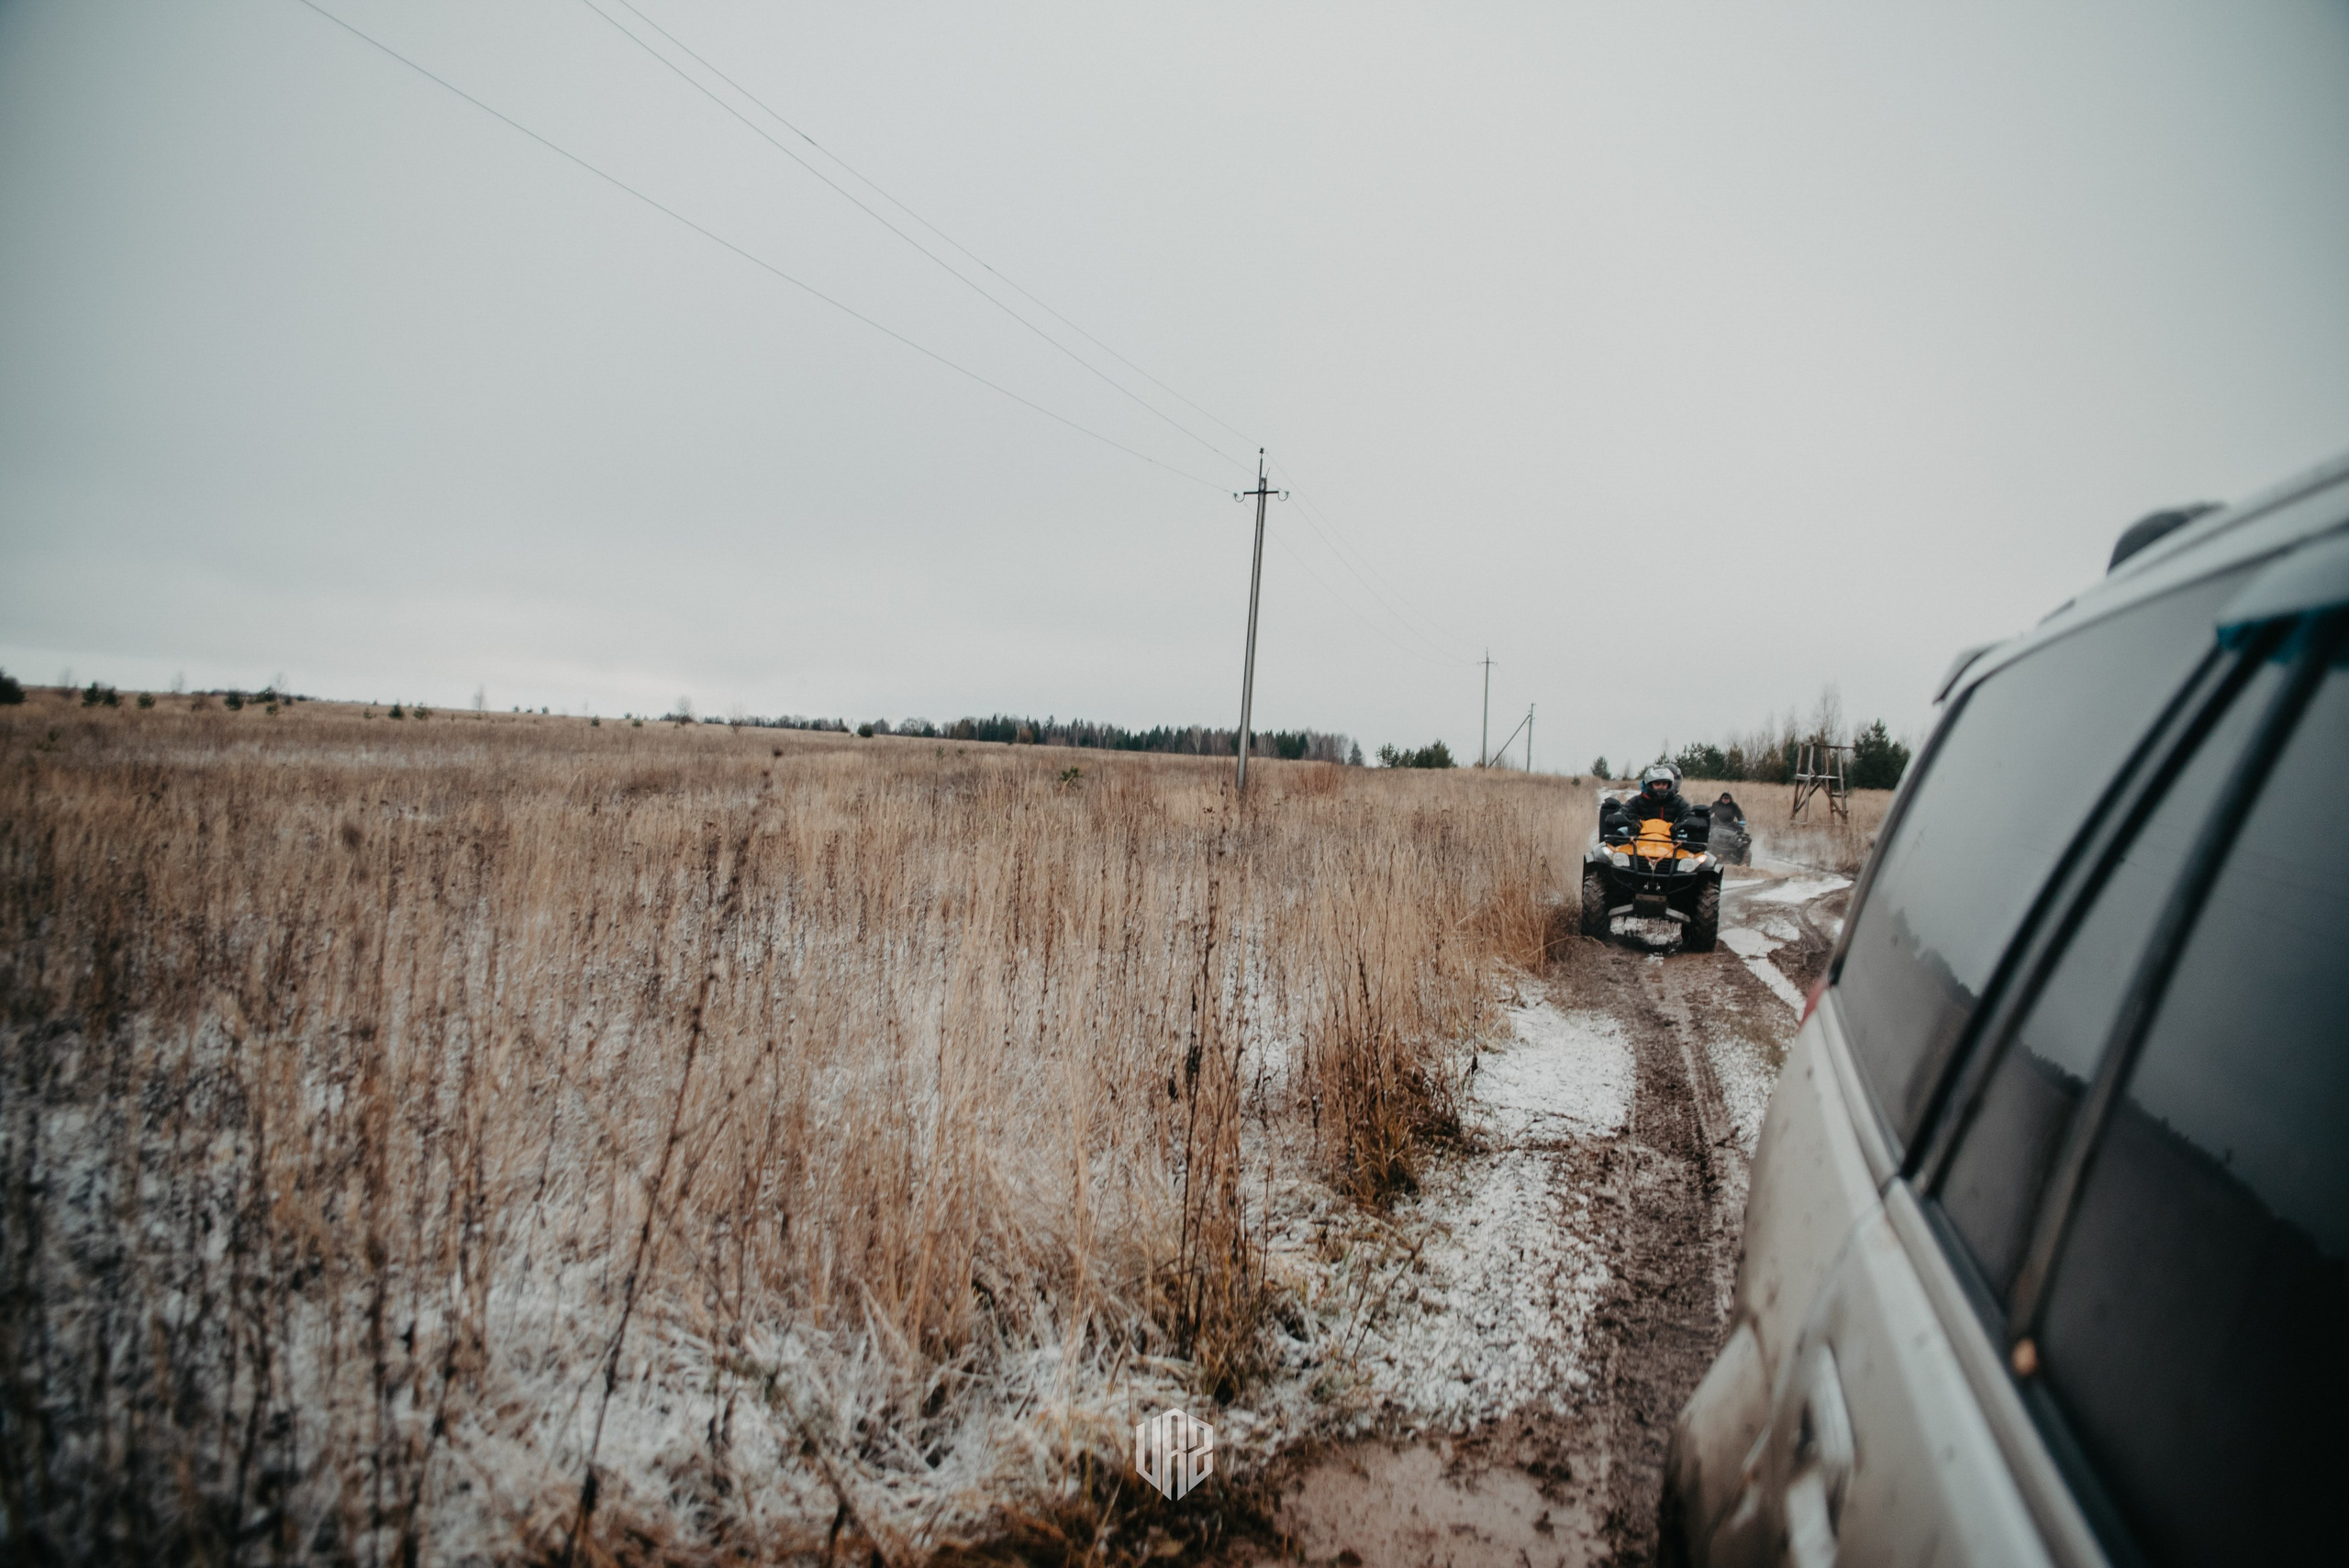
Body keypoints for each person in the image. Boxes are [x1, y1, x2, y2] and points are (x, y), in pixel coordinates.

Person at [1603, 765, 1690, 840]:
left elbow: (1688, 814)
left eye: (1664, 783)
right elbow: (1624, 811)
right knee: (1607, 849)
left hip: (1673, 843)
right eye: (1657, 783)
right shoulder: (1637, 801)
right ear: (1649, 784)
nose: (1661, 787)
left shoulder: (1678, 801)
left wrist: (1689, 821)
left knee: (1699, 856)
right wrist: (1621, 817)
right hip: (1639, 843)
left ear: (1670, 784)